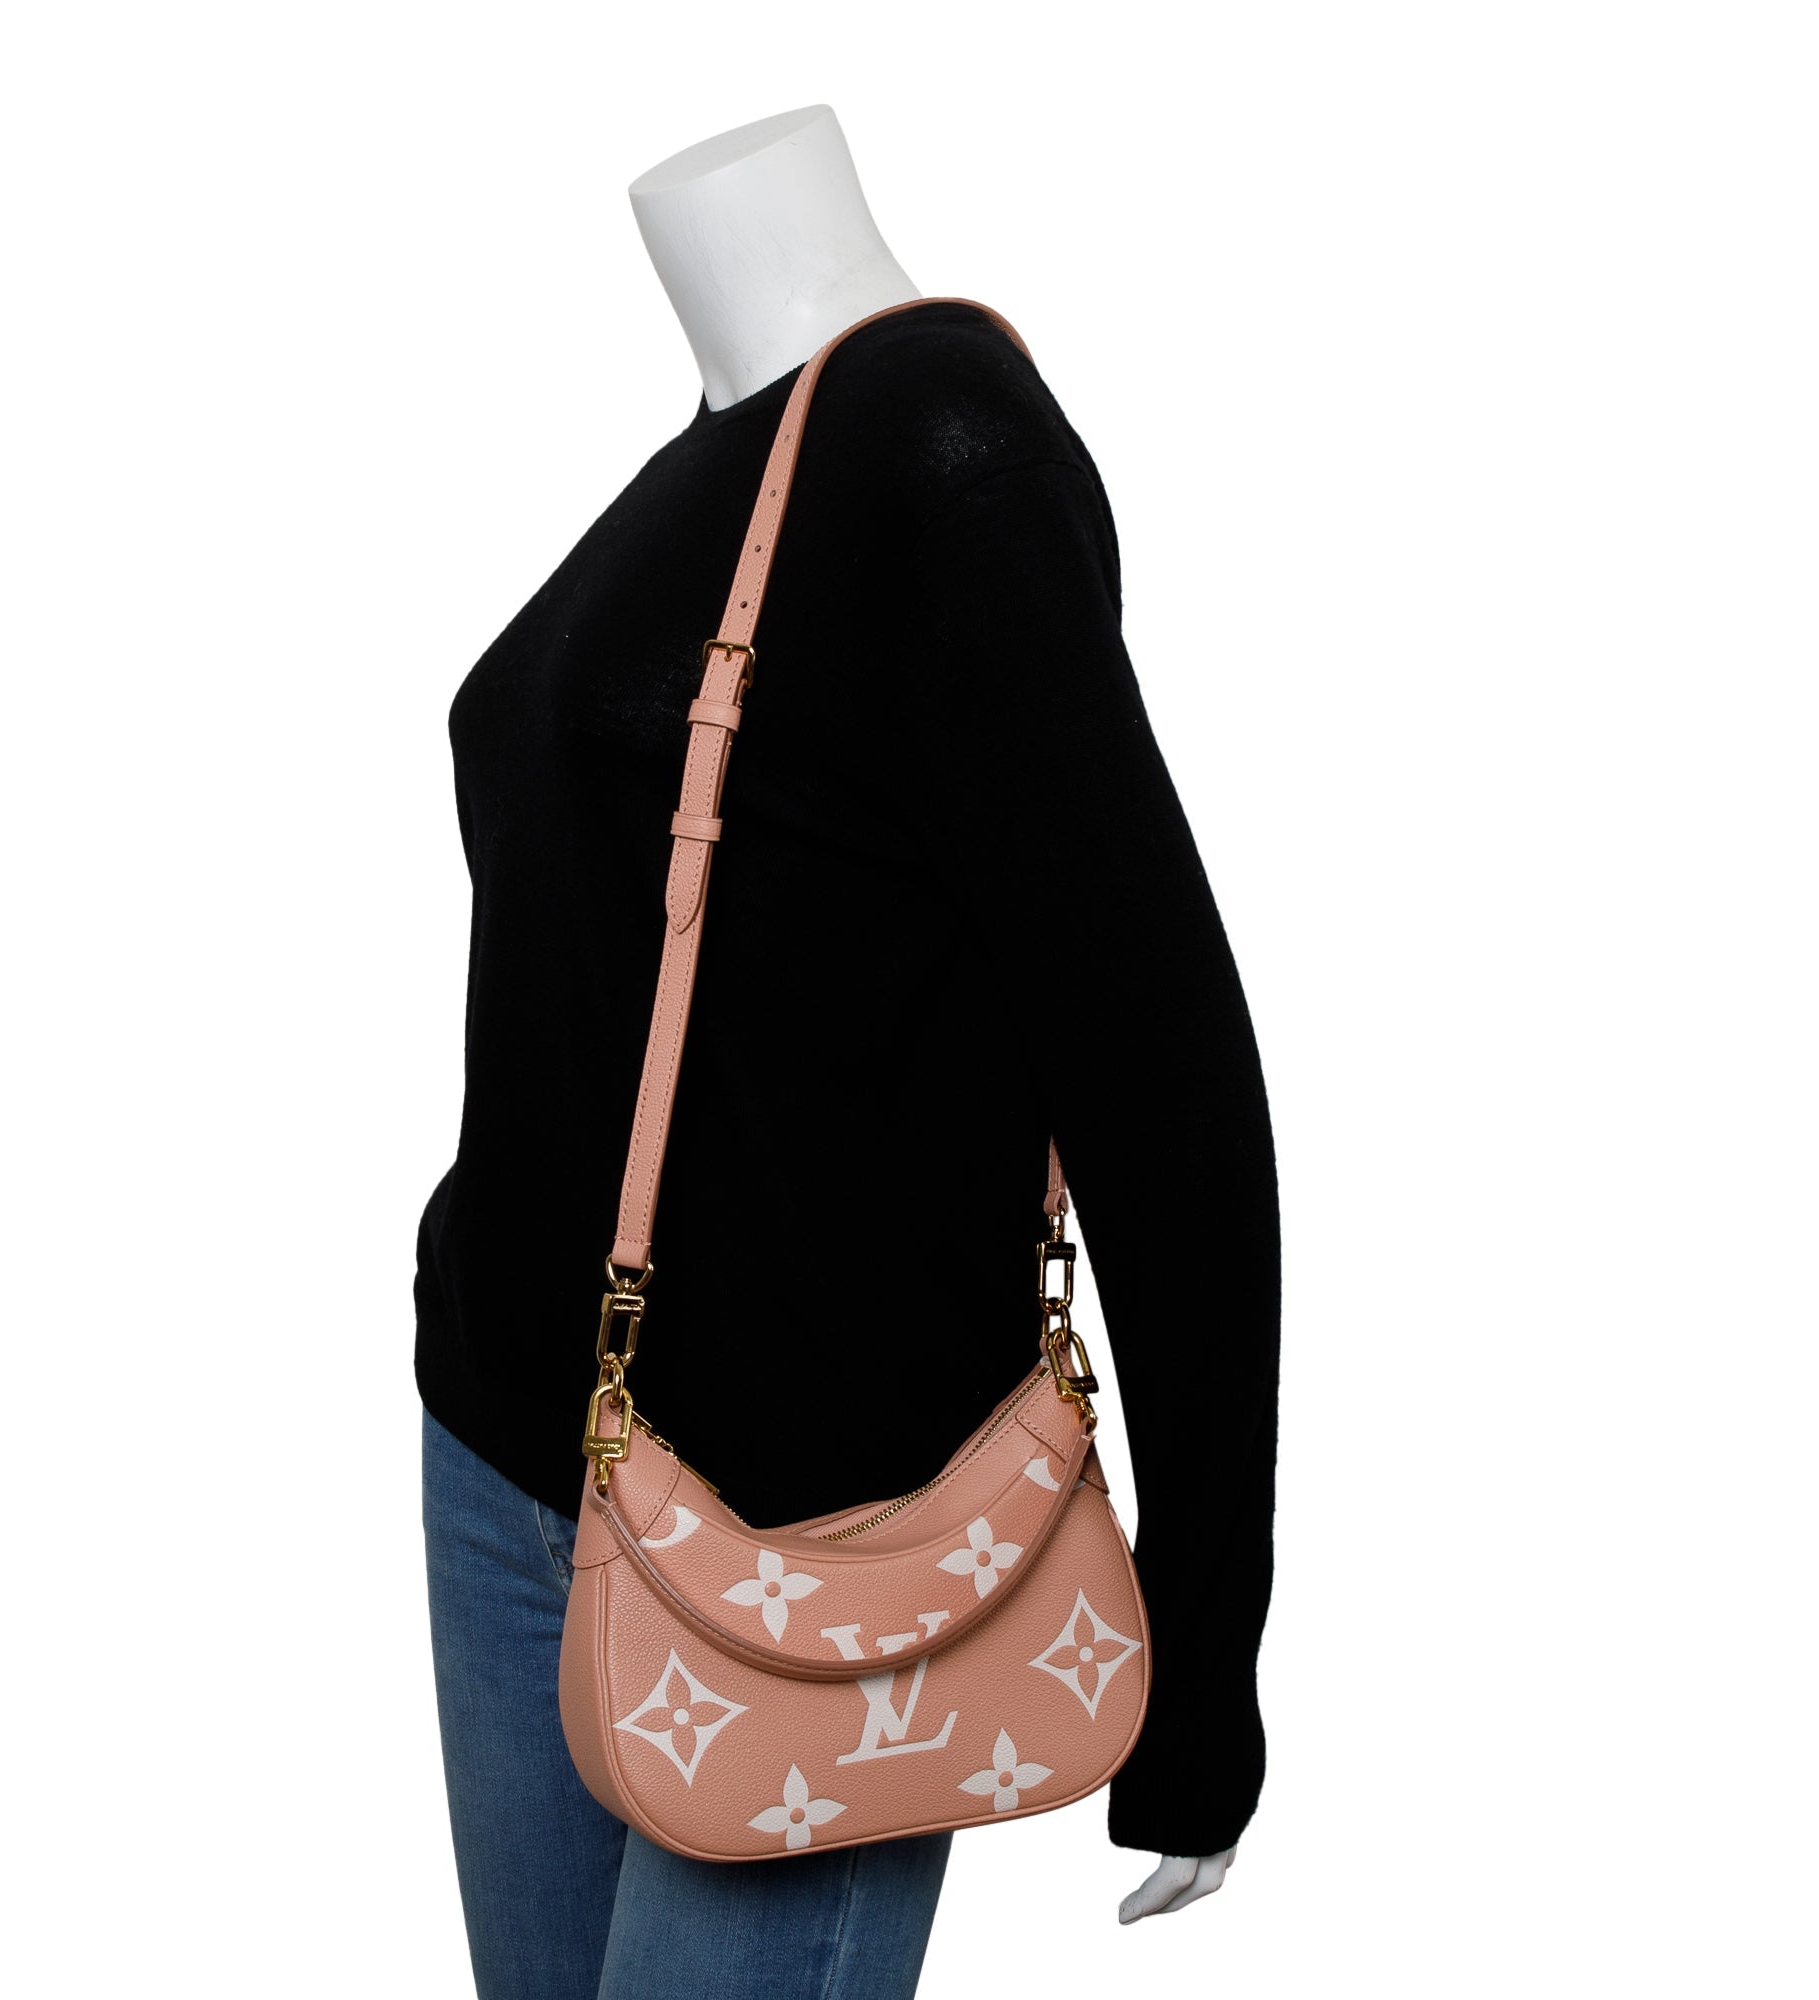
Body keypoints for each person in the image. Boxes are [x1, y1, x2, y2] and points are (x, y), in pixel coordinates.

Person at [415, 105, 1280, 2000]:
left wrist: (1205, 1670)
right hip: (508, 1464)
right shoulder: (729, 461)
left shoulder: (947, 455)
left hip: (816, 1553)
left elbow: (1170, 1097)